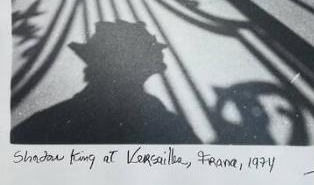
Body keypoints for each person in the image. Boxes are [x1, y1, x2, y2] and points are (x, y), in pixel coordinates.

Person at [11, 20, 200, 144]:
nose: (161, 49)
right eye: (150, 45)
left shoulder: (42, 123)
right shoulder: (155, 114)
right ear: (128, 61)